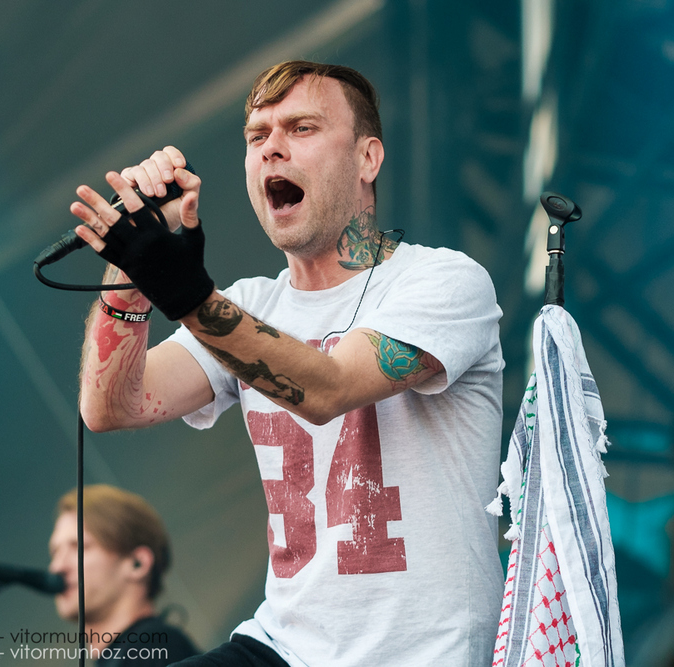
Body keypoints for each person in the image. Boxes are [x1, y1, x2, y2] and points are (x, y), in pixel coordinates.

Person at [69, 60, 505, 666]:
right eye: (257, 136)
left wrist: (187, 294)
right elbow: (111, 406)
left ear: (366, 158)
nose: (272, 148)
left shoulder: (443, 282)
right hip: (282, 648)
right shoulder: (251, 305)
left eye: (301, 128)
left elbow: (328, 389)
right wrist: (134, 261)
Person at [48, 485, 199, 666]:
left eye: (79, 547)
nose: (57, 567)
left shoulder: (153, 648)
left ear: (137, 563)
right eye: (54, 553)